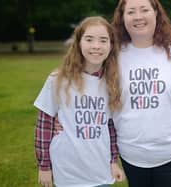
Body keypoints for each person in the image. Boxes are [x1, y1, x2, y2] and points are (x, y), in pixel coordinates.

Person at [55, 0, 171, 186]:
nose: (138, 16)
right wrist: (65, 116)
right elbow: (87, 82)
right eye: (131, 12)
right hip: (130, 155)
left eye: (144, 10)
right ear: (122, 18)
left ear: (156, 14)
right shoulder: (113, 54)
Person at [34, 16, 125, 187]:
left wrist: (113, 161)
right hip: (67, 171)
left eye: (103, 40)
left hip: (99, 171)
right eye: (89, 39)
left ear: (111, 45)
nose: (96, 46)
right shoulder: (58, 80)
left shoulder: (111, 83)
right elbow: (44, 125)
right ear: (78, 43)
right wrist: (44, 166)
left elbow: (110, 127)